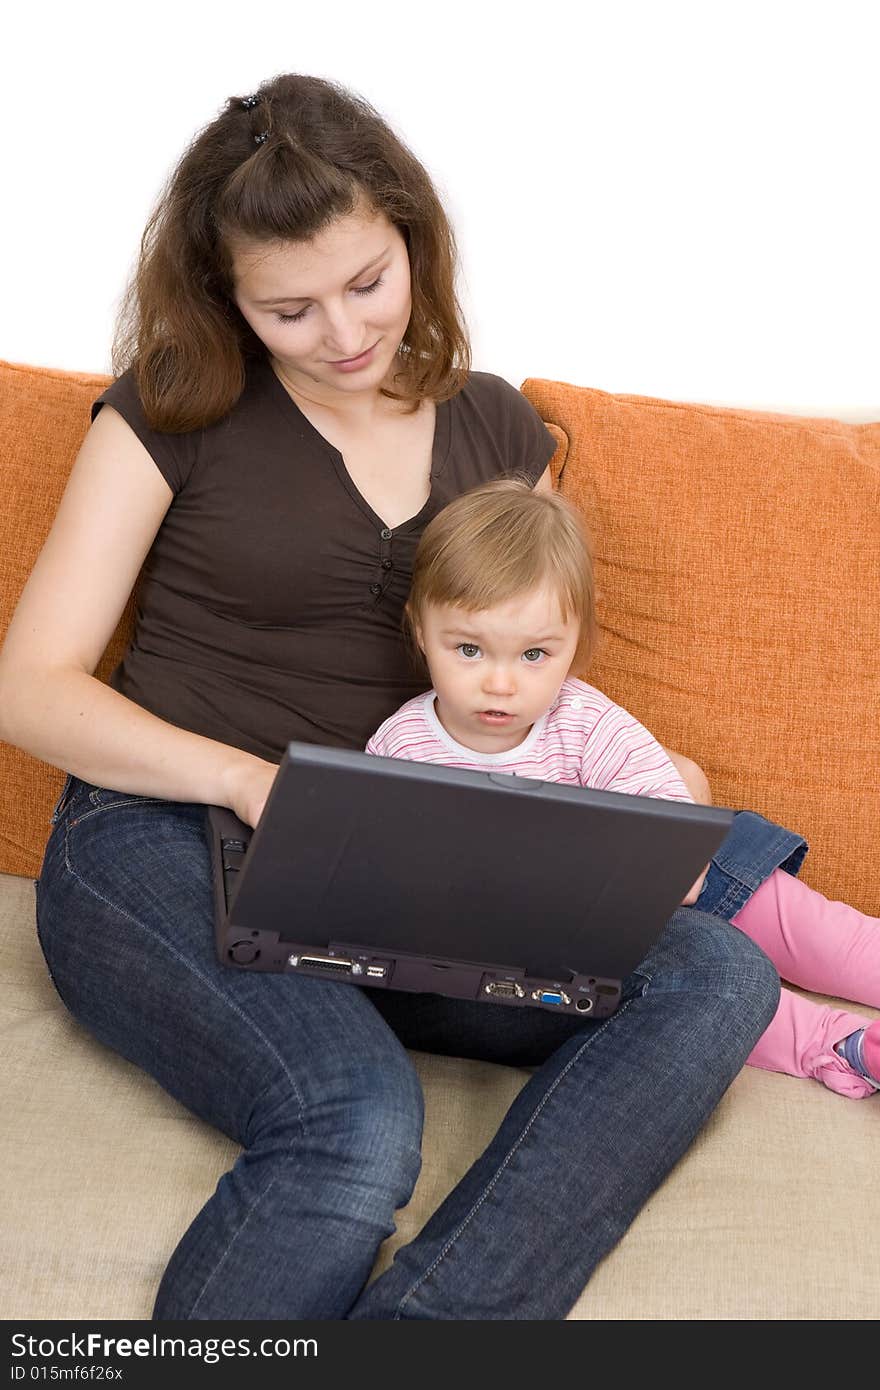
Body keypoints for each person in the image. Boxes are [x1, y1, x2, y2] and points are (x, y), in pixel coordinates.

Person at [0, 73, 782, 1322]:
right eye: (289, 308)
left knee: (715, 978)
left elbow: (534, 669)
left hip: (413, 869)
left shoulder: (498, 431)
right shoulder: (171, 410)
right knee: (353, 1120)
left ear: (414, 238)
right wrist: (248, 781)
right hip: (168, 840)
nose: (344, 332)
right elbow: (28, 689)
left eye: (369, 281)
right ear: (226, 298)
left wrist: (653, 787)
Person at [367, 478, 880, 1099]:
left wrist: (665, 860)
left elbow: (669, 822)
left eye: (535, 656)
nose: (501, 684)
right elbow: (398, 890)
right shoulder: (400, 748)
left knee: (803, 918)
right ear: (421, 633)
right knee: (692, 982)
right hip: (578, 939)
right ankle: (840, 1046)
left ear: (575, 647)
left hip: (658, 888)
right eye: (470, 650)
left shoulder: (584, 717)